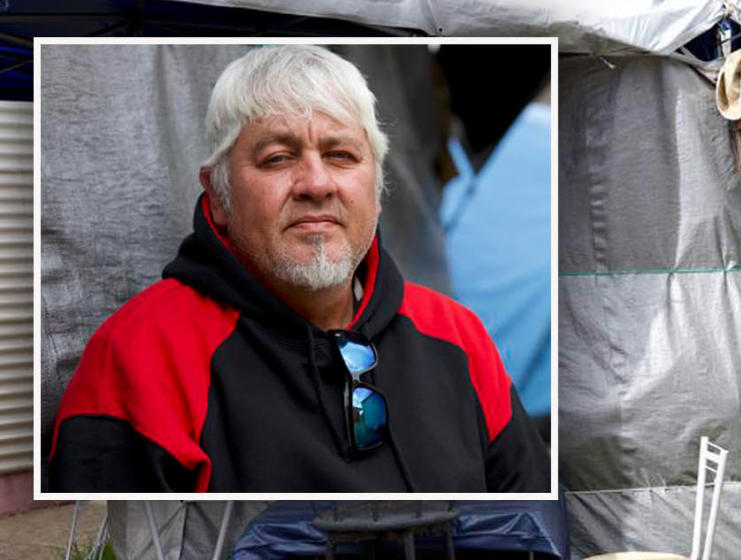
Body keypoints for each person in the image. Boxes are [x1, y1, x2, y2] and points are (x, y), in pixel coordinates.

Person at [48, 45, 550, 493]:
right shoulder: (139, 357)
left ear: (376, 193)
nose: (316, 183)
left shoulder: (457, 338)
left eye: (341, 155)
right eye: (277, 158)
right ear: (218, 195)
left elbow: (532, 532)